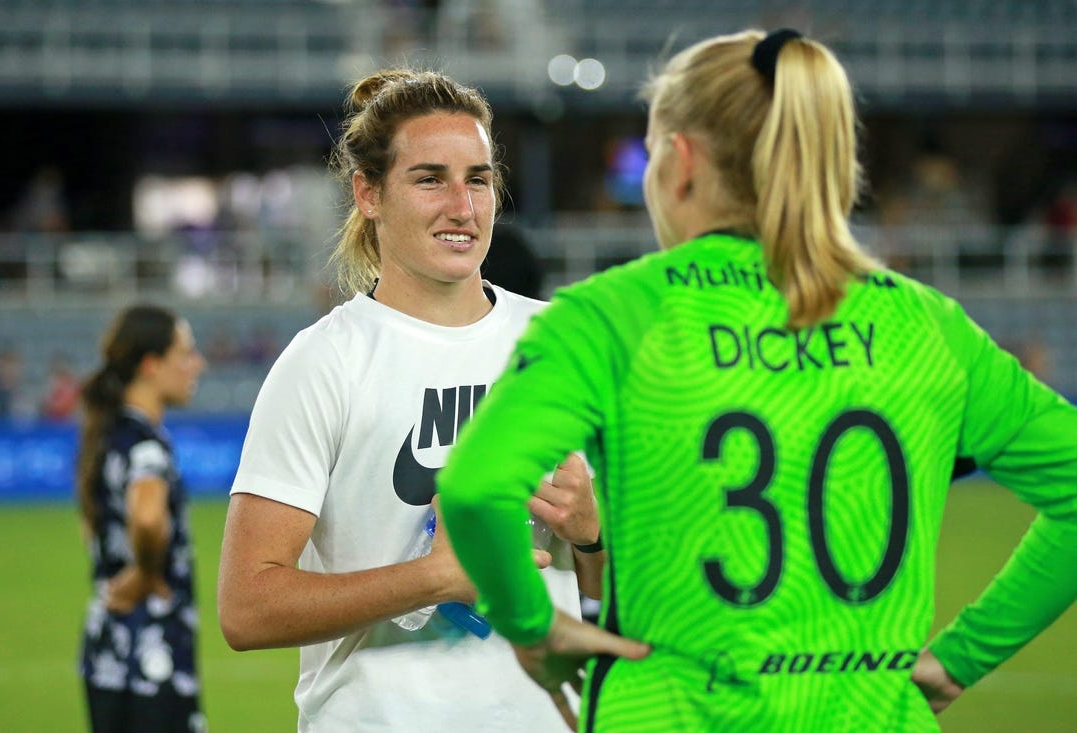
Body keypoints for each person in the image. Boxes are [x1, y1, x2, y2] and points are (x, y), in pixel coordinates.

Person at [438, 29, 1077, 732]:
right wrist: (962, 656)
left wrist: (535, 626)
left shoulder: (612, 314)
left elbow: (474, 487)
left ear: (680, 163)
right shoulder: (930, 325)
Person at [216, 68, 604, 732]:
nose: (462, 206)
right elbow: (247, 608)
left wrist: (594, 533)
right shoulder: (324, 363)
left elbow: (633, 602)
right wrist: (436, 578)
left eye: (478, 178)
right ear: (368, 194)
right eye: (430, 179)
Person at [75, 304, 208, 733]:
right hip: (154, 655)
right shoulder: (146, 445)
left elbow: (91, 529)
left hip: (107, 652)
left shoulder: (105, 435)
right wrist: (146, 572)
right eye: (185, 353)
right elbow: (148, 517)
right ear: (151, 365)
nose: (197, 363)